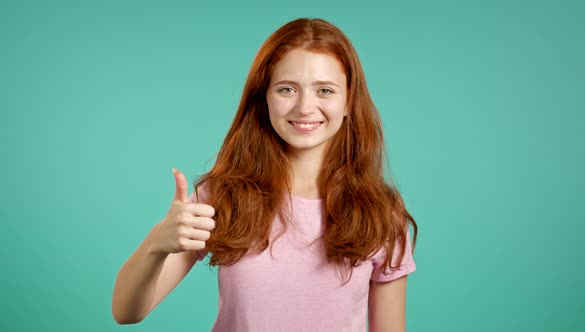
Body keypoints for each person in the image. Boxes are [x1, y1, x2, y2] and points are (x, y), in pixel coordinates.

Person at [112, 17, 418, 331]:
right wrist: (156, 245)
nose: (305, 107)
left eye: (325, 90)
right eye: (287, 89)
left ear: (348, 102)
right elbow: (126, 311)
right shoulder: (221, 197)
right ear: (264, 98)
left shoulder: (382, 214)